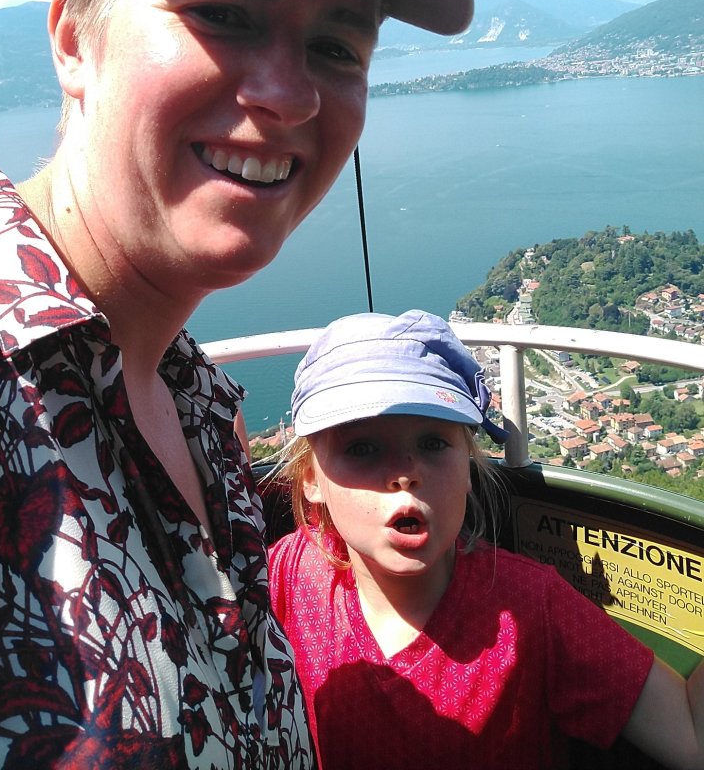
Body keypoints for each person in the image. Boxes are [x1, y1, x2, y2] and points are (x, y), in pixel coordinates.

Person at [0, 0, 473, 768]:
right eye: (223, 14)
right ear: (74, 40)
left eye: (337, 48)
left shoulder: (202, 409)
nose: (289, 94)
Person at [269, 309, 704, 770]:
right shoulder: (289, 577)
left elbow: (689, 732)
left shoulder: (530, 606)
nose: (405, 474)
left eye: (433, 443)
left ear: (468, 469)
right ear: (310, 480)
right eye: (362, 448)